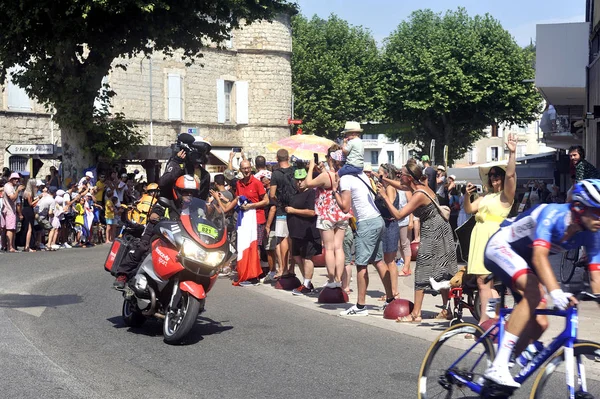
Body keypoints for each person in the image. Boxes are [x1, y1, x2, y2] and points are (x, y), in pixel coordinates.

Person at [482, 179, 600, 388]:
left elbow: (596, 278)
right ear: (580, 208)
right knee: (534, 292)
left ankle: (496, 375)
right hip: (502, 247)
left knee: (540, 324)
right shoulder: (554, 214)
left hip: (523, 260)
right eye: (597, 212)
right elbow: (539, 257)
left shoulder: (593, 234)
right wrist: (556, 292)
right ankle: (497, 366)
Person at [379, 161, 458, 323]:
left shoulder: (419, 194)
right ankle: (446, 310)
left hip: (434, 231)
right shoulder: (418, 186)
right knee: (442, 269)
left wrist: (385, 197)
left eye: (401, 174)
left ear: (409, 177)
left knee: (423, 269)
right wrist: (385, 180)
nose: (399, 177)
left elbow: (399, 215)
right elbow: (401, 186)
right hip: (440, 229)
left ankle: (416, 314)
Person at [464, 133, 517, 326]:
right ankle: (493, 320)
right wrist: (466, 196)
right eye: (491, 175)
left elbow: (511, 175)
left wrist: (512, 153)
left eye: (497, 175)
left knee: (483, 282)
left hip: (491, 238)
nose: (493, 178)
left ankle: (485, 322)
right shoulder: (487, 197)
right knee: (486, 284)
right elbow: (469, 209)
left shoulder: (505, 197)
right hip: (480, 237)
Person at [113, 175, 199, 289]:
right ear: (178, 191)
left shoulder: (195, 208)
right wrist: (157, 217)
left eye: (192, 193)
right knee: (143, 248)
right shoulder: (166, 202)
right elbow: (154, 214)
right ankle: (122, 274)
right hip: (157, 232)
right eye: (186, 192)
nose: (189, 195)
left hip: (179, 238)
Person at [335, 152, 395, 316]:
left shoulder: (346, 179)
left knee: (361, 265)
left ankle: (361, 306)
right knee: (378, 261)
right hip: (377, 219)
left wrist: (335, 192)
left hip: (366, 223)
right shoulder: (361, 175)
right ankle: (390, 299)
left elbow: (345, 207)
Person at [303, 145, 352, 289]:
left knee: (329, 248)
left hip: (326, 213)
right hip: (341, 213)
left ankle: (331, 279)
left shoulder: (327, 176)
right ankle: (339, 278)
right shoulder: (344, 174)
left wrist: (311, 167)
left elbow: (308, 183)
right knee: (339, 248)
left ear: (330, 158)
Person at [285, 168, 321, 295]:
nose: (300, 182)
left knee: (307, 257)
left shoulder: (311, 193)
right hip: (295, 232)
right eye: (298, 180)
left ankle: (306, 283)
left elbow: (312, 212)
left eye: (302, 179)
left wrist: (293, 210)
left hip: (307, 231)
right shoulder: (295, 193)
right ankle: (307, 282)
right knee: (296, 256)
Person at [269, 149, 295, 277]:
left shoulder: (276, 174)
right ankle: (292, 268)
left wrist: (278, 201)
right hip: (295, 207)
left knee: (282, 238)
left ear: (277, 158)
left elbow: (272, 194)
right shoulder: (294, 171)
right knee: (292, 238)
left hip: (281, 209)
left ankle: (283, 268)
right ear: (288, 157)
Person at [3, 173, 25, 252]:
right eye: (15, 179)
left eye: (18, 179)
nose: (17, 180)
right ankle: (10, 246)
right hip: (9, 210)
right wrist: (18, 190)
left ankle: (11, 246)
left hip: (11, 210)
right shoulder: (8, 187)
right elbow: (12, 198)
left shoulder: (11, 187)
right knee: (10, 228)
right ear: (11, 179)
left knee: (12, 228)